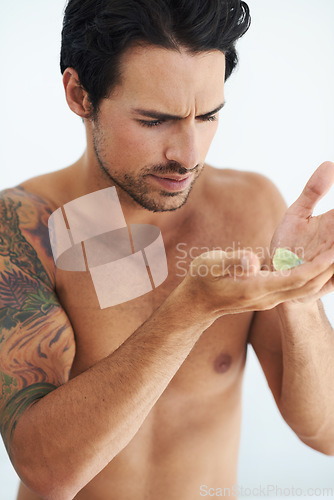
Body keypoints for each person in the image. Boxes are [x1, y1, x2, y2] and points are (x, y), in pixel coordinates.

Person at [0, 0, 333, 498]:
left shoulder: (246, 209)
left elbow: (325, 433)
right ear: (79, 94)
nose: (188, 155)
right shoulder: (26, 226)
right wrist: (191, 309)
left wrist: (299, 295)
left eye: (209, 116)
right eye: (155, 121)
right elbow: (46, 472)